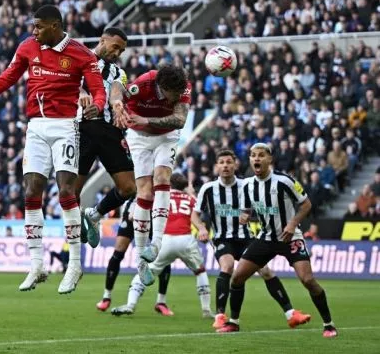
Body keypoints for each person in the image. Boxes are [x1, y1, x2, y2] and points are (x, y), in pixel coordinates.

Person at [0, 5, 106, 294]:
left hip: (65, 127)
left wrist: (97, 105)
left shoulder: (81, 54)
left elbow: (98, 89)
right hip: (35, 127)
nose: (34, 31)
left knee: (66, 192)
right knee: (31, 191)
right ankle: (37, 264)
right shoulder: (27, 47)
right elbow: (4, 80)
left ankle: (75, 264)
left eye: (39, 26)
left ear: (56, 26)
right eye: (33, 26)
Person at [218, 143, 337, 338]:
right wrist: (244, 215)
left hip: (290, 237)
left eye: (261, 155)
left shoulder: (285, 181)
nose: (256, 158)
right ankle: (233, 322)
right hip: (265, 238)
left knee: (307, 280)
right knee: (237, 277)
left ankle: (328, 324)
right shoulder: (247, 185)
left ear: (269, 159)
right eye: (253, 155)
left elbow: (306, 205)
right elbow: (246, 209)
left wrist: (292, 224)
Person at [192, 149, 311, 329]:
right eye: (222, 162)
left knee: (266, 272)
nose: (225, 166)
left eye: (229, 162)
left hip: (247, 237)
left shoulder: (246, 184)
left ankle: (290, 314)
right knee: (227, 266)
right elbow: (195, 214)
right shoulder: (208, 189)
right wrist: (201, 227)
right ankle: (220, 315)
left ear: (235, 164)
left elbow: (260, 207)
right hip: (223, 238)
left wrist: (250, 215)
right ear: (217, 166)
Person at [111, 64, 191, 273]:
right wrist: (118, 104)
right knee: (144, 191)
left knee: (163, 178)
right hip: (139, 137)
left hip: (166, 135)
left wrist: (146, 119)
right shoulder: (144, 83)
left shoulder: (184, 87)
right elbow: (118, 89)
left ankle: (156, 243)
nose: (177, 97)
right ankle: (141, 260)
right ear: (162, 87)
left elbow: (180, 120)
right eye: (174, 94)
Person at [111, 173, 214, 317]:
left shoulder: (160, 196)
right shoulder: (190, 199)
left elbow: (137, 211)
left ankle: (130, 304)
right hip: (186, 239)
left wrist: (134, 213)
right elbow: (199, 214)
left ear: (169, 184)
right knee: (200, 271)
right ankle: (206, 310)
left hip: (166, 240)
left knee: (145, 271)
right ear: (184, 185)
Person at [74, 27, 136, 248]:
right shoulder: (78, 57)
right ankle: (73, 250)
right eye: (115, 46)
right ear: (102, 40)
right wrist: (80, 92)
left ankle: (95, 213)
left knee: (129, 188)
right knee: (71, 192)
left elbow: (117, 90)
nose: (118, 52)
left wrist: (117, 103)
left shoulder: (118, 72)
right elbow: (67, 84)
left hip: (110, 131)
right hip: (81, 129)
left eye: (122, 50)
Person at [95, 197, 173, 313]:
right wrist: (133, 209)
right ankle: (106, 297)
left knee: (162, 256)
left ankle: (161, 302)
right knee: (118, 253)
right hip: (133, 212)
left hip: (154, 214)